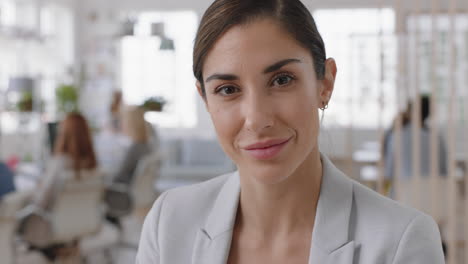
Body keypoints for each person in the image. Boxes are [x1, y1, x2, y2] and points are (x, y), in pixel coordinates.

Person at [136, 0, 445, 263]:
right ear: (204, 98)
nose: (257, 119)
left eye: (282, 80)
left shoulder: (401, 241)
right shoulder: (169, 223)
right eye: (228, 89)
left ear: (325, 83)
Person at [28, 112, 100, 261]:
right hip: (80, 224)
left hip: (52, 227)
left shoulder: (60, 163)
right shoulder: (93, 165)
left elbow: (40, 201)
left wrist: (35, 190)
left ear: (64, 134)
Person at [383, 95, 447, 179]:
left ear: (410, 112)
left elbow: (389, 173)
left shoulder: (396, 136)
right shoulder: (437, 138)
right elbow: (444, 172)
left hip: (405, 190)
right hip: (434, 190)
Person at [112, 106, 153, 184]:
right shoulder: (146, 146)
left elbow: (121, 174)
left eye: (123, 121)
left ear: (131, 124)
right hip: (135, 190)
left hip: (123, 190)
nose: (121, 124)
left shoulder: (135, 148)